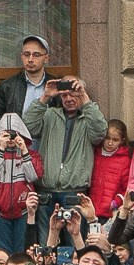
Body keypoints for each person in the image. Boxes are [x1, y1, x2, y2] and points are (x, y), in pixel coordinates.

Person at [25, 75, 105, 245]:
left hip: (74, 191)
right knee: (46, 243)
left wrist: (84, 98)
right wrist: (45, 96)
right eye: (64, 95)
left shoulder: (88, 117)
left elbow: (99, 133)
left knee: (74, 241)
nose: (68, 99)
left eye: (73, 94)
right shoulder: (50, 115)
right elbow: (29, 126)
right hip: (46, 189)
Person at [0, 34, 55, 157]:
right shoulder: (7, 86)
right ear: (21, 56)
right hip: (15, 153)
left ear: (46, 58)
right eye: (26, 54)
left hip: (48, 151)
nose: (30, 59)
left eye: (36, 55)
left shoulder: (54, 86)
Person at [0, 114, 42, 257]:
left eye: (14, 134)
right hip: (0, 211)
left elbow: (33, 176)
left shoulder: (32, 155)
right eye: (6, 135)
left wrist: (24, 151)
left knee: (22, 251)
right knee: (3, 253)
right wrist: (1, 149)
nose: (10, 139)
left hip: (23, 211)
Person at [90, 119, 134, 219]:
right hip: (90, 210)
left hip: (109, 212)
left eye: (115, 140)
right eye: (107, 138)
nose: (110, 143)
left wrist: (117, 201)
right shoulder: (94, 154)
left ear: (122, 141)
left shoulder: (124, 160)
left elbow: (128, 187)